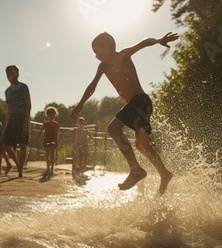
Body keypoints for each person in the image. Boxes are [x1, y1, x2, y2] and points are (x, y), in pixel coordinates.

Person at [71, 32, 177, 194]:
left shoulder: (123, 55)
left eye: (96, 51)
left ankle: (136, 170)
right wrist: (80, 106)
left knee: (114, 129)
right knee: (142, 145)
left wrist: (158, 40)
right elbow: (92, 86)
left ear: (107, 47)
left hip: (141, 101)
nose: (96, 56)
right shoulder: (103, 66)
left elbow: (143, 42)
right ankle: (164, 173)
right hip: (135, 105)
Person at [2, 65, 31, 178]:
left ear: (18, 74)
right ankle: (18, 164)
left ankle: (20, 171)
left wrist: (25, 123)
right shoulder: (7, 91)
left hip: (22, 118)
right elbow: (8, 108)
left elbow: (28, 105)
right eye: (8, 73)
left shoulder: (24, 87)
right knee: (5, 144)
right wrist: (6, 123)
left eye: (12, 73)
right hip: (12, 120)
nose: (10, 75)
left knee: (23, 145)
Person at [39, 106, 60, 175]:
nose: (51, 115)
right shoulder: (45, 123)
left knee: (52, 154)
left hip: (53, 140)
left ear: (55, 115)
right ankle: (48, 168)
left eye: (53, 114)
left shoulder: (56, 124)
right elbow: (41, 131)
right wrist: (37, 137)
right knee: (47, 154)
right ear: (47, 115)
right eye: (49, 114)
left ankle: (51, 169)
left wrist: (56, 141)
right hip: (47, 139)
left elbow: (57, 133)